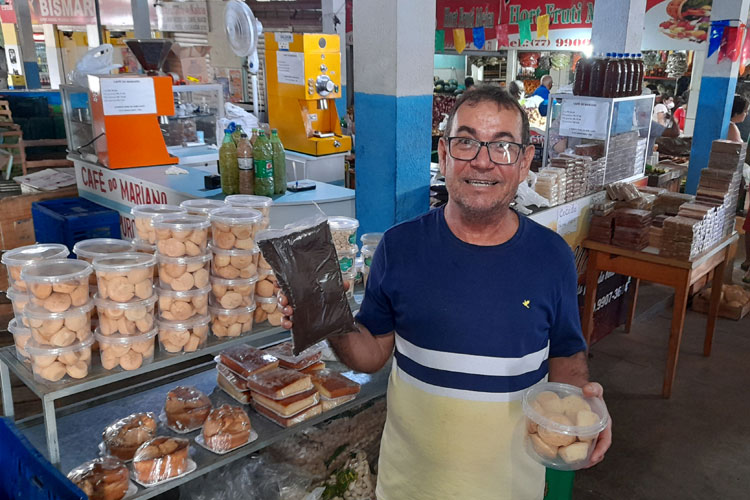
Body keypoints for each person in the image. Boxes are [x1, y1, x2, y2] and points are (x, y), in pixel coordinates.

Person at [281, 85, 611, 500]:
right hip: (409, 486)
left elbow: (565, 351)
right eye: (466, 142)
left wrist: (583, 407)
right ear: (444, 152)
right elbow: (370, 355)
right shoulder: (399, 248)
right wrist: (325, 315)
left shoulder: (552, 257)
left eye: (503, 147)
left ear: (525, 161)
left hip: (512, 488)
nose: (482, 162)